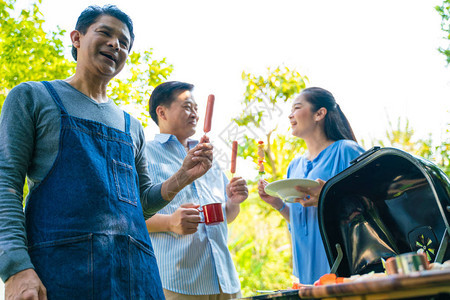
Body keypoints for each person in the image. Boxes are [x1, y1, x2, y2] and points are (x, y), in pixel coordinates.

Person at [0, 5, 213, 299]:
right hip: (61, 275)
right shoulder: (32, 97)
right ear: (76, 38)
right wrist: (15, 267)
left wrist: (181, 177)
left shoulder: (131, 126)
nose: (116, 44)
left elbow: (139, 204)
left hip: (137, 279)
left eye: (124, 42)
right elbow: (6, 183)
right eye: (105, 33)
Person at [145, 81, 248, 300]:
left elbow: (225, 217)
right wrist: (170, 222)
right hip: (179, 282)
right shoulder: (144, 154)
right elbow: (129, 217)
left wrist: (233, 202)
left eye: (196, 109)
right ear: (161, 112)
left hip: (225, 279)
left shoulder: (207, 156)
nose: (194, 114)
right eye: (187, 106)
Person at [258, 87, 365, 285]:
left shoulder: (346, 151)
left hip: (343, 269)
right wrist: (278, 204)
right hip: (307, 274)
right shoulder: (294, 167)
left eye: (297, 108)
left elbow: (371, 206)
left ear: (319, 113)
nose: (290, 115)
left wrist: (328, 197)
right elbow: (301, 221)